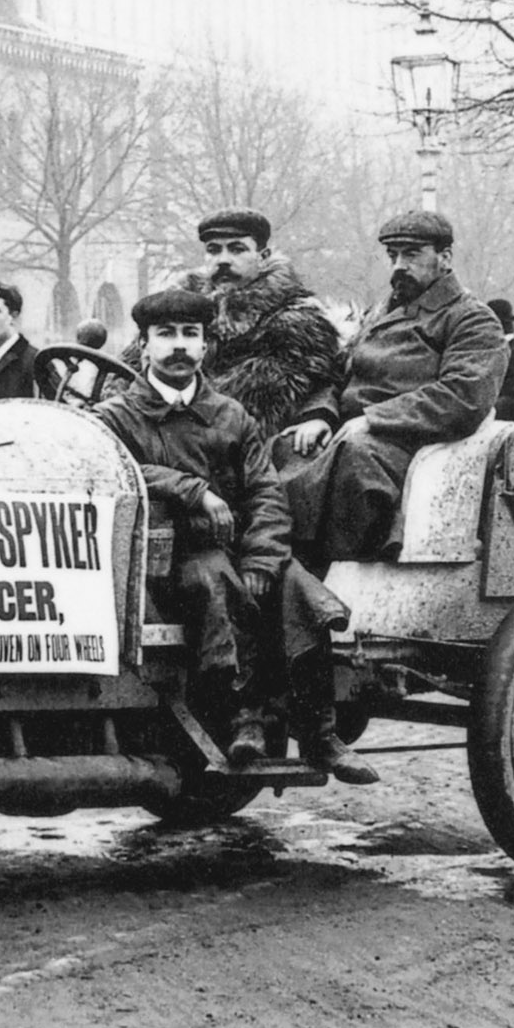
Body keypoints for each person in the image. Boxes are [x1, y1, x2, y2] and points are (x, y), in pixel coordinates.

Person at [93, 288, 374, 784]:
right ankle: (243, 719)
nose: (178, 346)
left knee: (299, 592)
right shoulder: (117, 416)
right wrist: (191, 489)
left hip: (237, 548)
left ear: (204, 346)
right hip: (166, 559)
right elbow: (111, 467)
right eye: (165, 335)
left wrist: (264, 563)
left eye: (190, 335)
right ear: (145, 345)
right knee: (213, 580)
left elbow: (266, 493)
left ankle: (320, 734)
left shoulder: (230, 414)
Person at [283, 210, 507, 568]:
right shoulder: (380, 312)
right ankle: (275, 562)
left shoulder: (471, 319)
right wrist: (320, 415)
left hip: (410, 443)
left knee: (353, 461)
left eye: (412, 254)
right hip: (350, 433)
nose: (399, 266)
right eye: (393, 256)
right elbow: (339, 374)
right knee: (283, 447)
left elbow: (464, 397)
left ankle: (313, 570)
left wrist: (373, 419)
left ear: (444, 258)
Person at [117, 208, 344, 455]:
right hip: (155, 436)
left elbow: (324, 383)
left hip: (246, 450)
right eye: (214, 250)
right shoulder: (176, 309)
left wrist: (317, 415)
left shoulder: (298, 321)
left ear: (263, 256)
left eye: (237, 249)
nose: (223, 260)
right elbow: (124, 372)